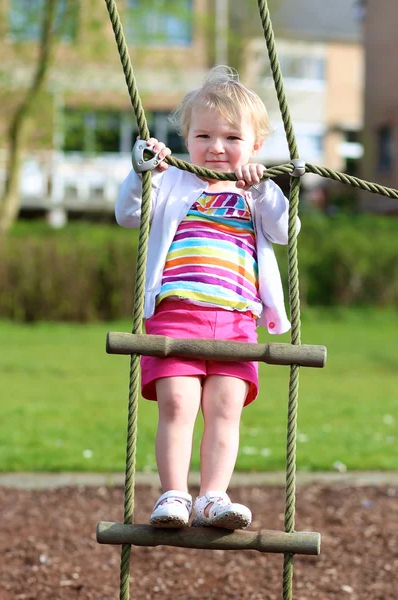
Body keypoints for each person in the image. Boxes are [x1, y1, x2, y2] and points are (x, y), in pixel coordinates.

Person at [115, 66, 300, 530]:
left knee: (224, 408)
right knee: (177, 403)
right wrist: (143, 172)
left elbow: (285, 229)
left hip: (238, 320)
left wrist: (262, 188)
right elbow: (127, 214)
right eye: (204, 135)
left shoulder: (258, 192)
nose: (216, 147)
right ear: (186, 137)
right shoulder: (174, 180)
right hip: (177, 315)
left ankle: (213, 496)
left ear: (256, 146)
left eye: (232, 138)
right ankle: (174, 496)